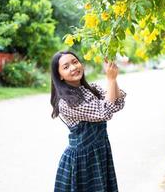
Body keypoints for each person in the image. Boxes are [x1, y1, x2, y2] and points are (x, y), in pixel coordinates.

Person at [50, 51, 126, 192]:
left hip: (100, 151)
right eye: (66, 67)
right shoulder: (66, 103)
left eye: (74, 62)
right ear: (59, 75)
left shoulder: (92, 88)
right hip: (81, 161)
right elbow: (105, 112)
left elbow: (117, 103)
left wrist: (113, 79)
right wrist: (110, 80)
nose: (73, 68)